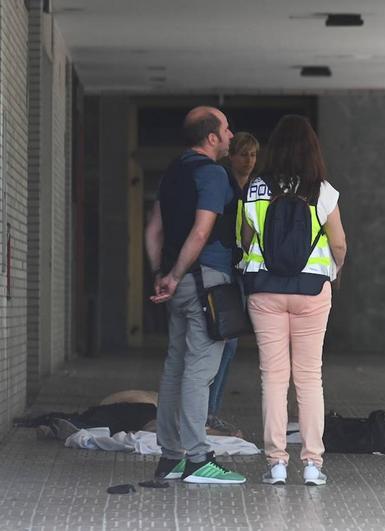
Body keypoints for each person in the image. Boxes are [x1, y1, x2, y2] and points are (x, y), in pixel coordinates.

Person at [241, 115, 347, 486]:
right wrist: (335, 270)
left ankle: (276, 463)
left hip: (265, 290)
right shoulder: (324, 190)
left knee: (273, 377)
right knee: (308, 376)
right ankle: (313, 464)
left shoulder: (256, 187)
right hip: (312, 291)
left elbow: (245, 238)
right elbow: (338, 244)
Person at [144, 105, 246, 484]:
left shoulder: (173, 174)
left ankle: (170, 457)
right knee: (199, 372)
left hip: (179, 286)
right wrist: (176, 273)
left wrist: (163, 274)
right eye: (227, 129)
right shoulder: (213, 175)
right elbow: (202, 232)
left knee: (175, 367)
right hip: (206, 284)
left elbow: (154, 230)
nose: (232, 136)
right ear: (212, 137)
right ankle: (197, 459)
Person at [206, 132, 260, 435]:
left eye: (253, 155)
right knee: (220, 340)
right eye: (243, 154)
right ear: (231, 156)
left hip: (244, 270)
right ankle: (206, 412)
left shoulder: (256, 187)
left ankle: (211, 412)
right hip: (220, 266)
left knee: (231, 342)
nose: (249, 161)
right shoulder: (222, 182)